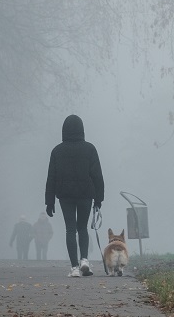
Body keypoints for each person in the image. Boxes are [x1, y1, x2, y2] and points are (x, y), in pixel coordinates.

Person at [44, 114, 104, 277]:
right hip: (85, 194)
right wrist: (99, 198)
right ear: (82, 130)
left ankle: (74, 268)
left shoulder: (57, 151)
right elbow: (97, 175)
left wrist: (49, 202)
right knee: (82, 227)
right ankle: (84, 259)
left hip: (65, 195)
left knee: (70, 229)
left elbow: (51, 177)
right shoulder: (90, 149)